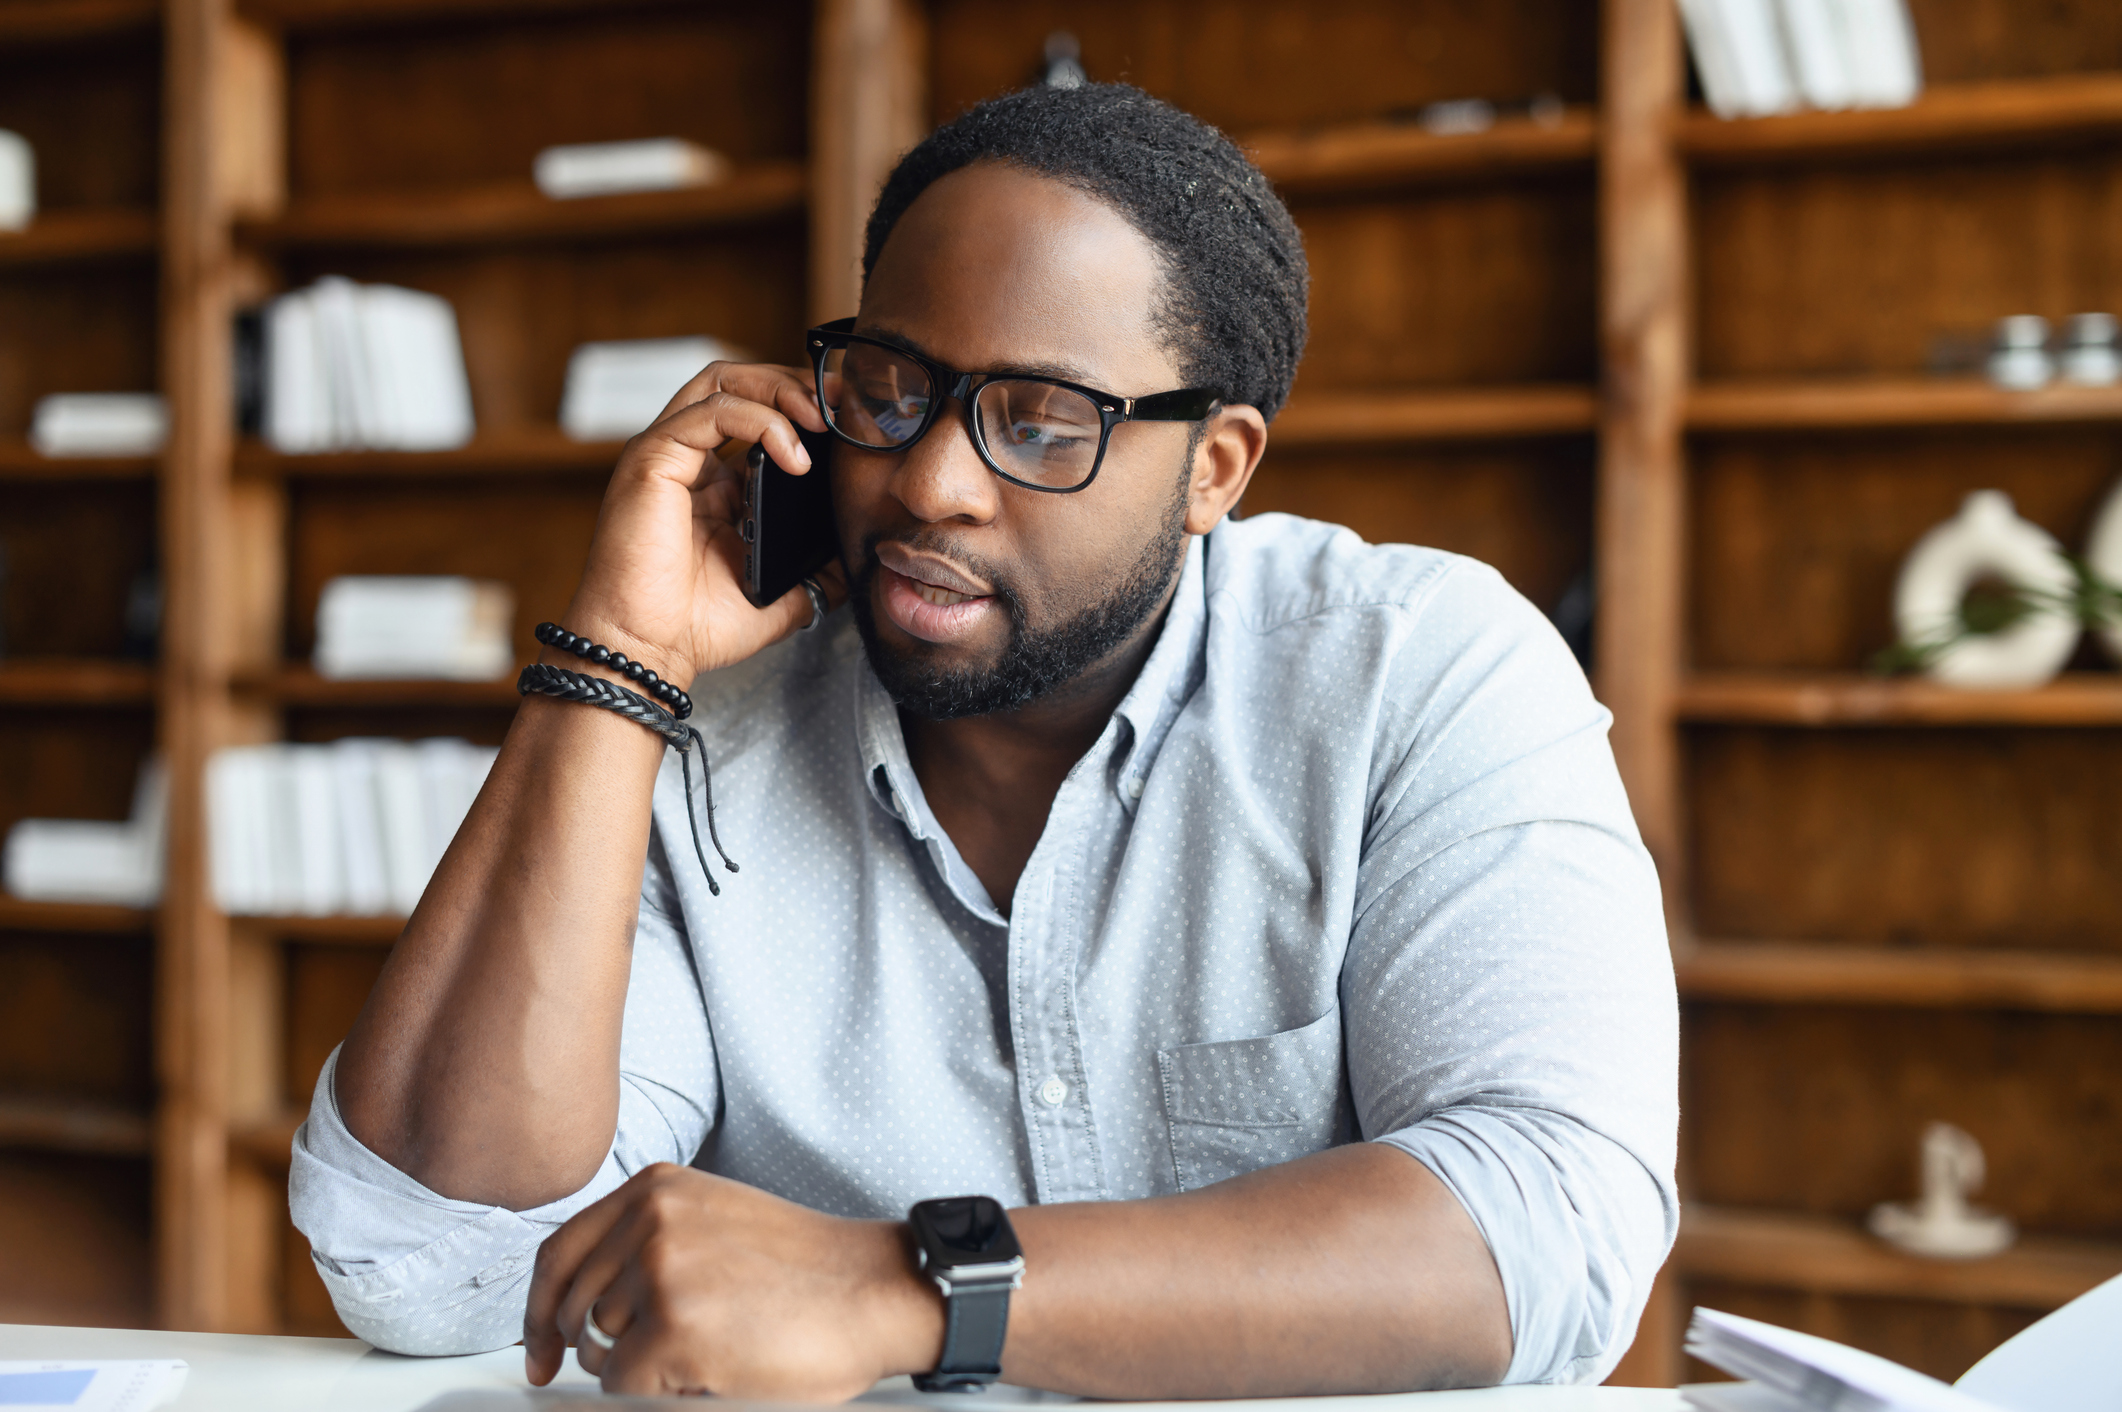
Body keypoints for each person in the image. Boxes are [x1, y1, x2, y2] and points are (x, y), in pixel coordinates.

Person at [291, 82, 1677, 1401]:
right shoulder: (696, 733)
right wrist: (617, 662)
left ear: (1214, 468)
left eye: (1040, 423)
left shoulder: (1411, 672)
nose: (928, 484)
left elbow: (1554, 1221)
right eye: (889, 386)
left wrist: (900, 1286)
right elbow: (432, 1269)